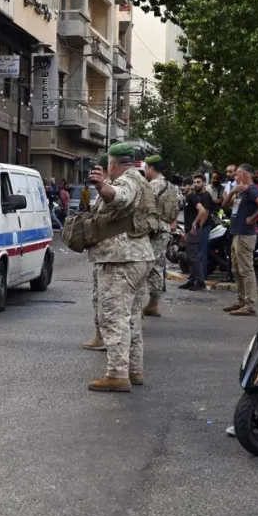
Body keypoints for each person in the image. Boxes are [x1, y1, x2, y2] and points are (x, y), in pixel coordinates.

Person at [86, 143, 158, 392]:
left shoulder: (126, 182)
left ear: (113, 164)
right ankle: (134, 370)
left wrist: (101, 187)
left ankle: (117, 374)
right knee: (131, 318)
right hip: (140, 257)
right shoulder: (142, 181)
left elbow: (118, 197)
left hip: (121, 259)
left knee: (114, 317)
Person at [222, 164, 258, 316]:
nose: (235, 177)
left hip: (245, 234)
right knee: (236, 269)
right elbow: (225, 206)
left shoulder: (252, 189)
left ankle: (250, 305)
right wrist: (232, 193)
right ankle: (241, 300)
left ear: (245, 175)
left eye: (237, 174)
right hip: (236, 232)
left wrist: (252, 218)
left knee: (246, 270)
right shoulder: (241, 191)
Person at [142, 155, 179, 317]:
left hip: (153, 230)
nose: (144, 171)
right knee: (157, 266)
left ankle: (137, 304)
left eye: (145, 168)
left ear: (151, 168)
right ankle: (154, 303)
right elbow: (178, 205)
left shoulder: (153, 185)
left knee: (142, 265)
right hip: (164, 230)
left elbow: (142, 205)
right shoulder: (172, 186)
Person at [82, 154, 109, 352]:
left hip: (111, 254)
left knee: (106, 301)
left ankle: (107, 340)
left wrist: (102, 186)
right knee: (98, 298)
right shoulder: (104, 191)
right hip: (103, 252)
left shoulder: (113, 189)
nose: (95, 173)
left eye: (99, 169)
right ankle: (100, 336)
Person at [181, 174, 214, 291]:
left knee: (194, 257)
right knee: (191, 257)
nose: (182, 187)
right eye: (182, 185)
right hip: (190, 231)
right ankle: (192, 280)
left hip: (193, 232)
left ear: (190, 186)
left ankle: (200, 282)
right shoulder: (189, 197)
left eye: (185, 185)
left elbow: (203, 210)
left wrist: (195, 224)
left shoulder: (193, 197)